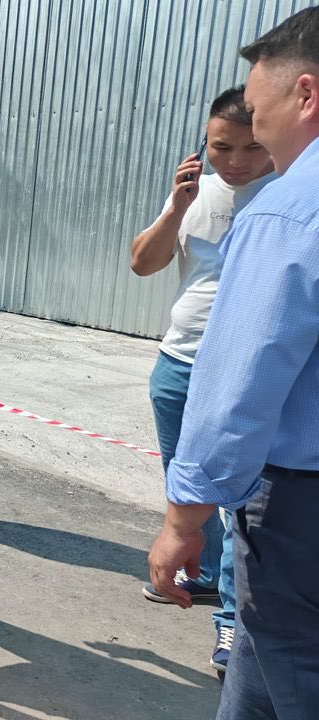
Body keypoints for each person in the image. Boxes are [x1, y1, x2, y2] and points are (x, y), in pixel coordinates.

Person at [147, 8, 319, 717]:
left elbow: (241, 385)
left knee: (292, 671)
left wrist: (183, 520)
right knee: (258, 673)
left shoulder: (287, 210)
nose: (254, 132)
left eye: (257, 108)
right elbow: (143, 259)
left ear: (305, 94)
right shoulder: (222, 200)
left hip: (299, 503)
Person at [130, 87, 276, 675]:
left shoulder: (286, 196)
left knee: (239, 499)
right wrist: (175, 205)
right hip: (177, 362)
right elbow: (142, 263)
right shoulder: (196, 194)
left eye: (250, 147)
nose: (235, 160)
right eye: (221, 147)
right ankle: (208, 576)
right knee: (185, 485)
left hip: (240, 370)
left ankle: (233, 624)